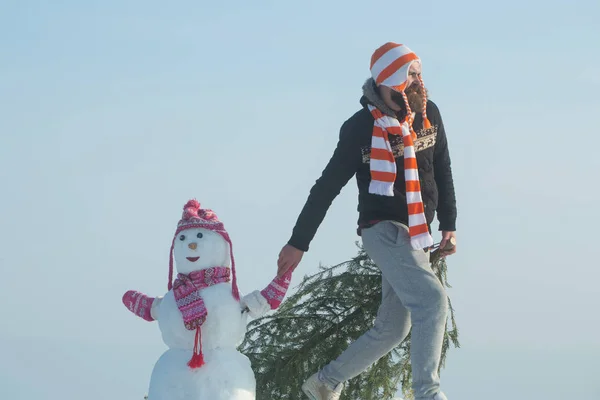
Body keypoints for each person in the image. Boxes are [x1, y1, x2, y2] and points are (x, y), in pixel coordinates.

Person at [276, 42, 458, 400]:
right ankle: (428, 393)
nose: (419, 82)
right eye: (411, 75)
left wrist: (449, 223)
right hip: (384, 229)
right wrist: (298, 242)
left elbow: (442, 167)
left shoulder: (428, 114)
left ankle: (324, 383)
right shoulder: (360, 128)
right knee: (432, 302)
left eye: (420, 73)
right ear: (391, 80)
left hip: (419, 229)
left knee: (393, 327)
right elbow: (326, 187)